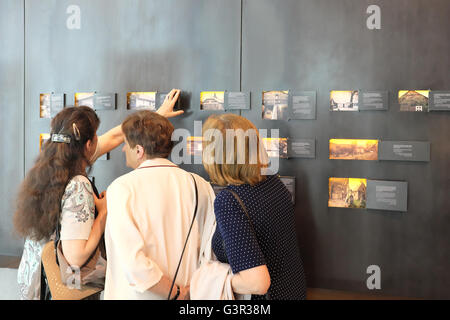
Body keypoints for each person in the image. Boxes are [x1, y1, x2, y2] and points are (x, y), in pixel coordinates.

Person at [13, 89, 182, 300]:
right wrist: (103, 214)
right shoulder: (78, 184)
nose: (98, 140)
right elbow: (75, 256)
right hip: (68, 289)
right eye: (94, 137)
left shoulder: (48, 170)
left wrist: (156, 116)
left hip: (39, 283)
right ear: (88, 145)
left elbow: (113, 137)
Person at [104, 110, 216, 300]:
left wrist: (175, 292)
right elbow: (210, 250)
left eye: (126, 144)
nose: (123, 150)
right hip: (190, 297)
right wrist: (189, 291)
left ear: (139, 150)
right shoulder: (200, 185)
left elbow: (133, 262)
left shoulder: (122, 188)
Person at [201, 113, 307, 300]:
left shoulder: (229, 201)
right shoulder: (272, 181)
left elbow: (257, 283)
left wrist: (211, 280)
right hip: (292, 291)